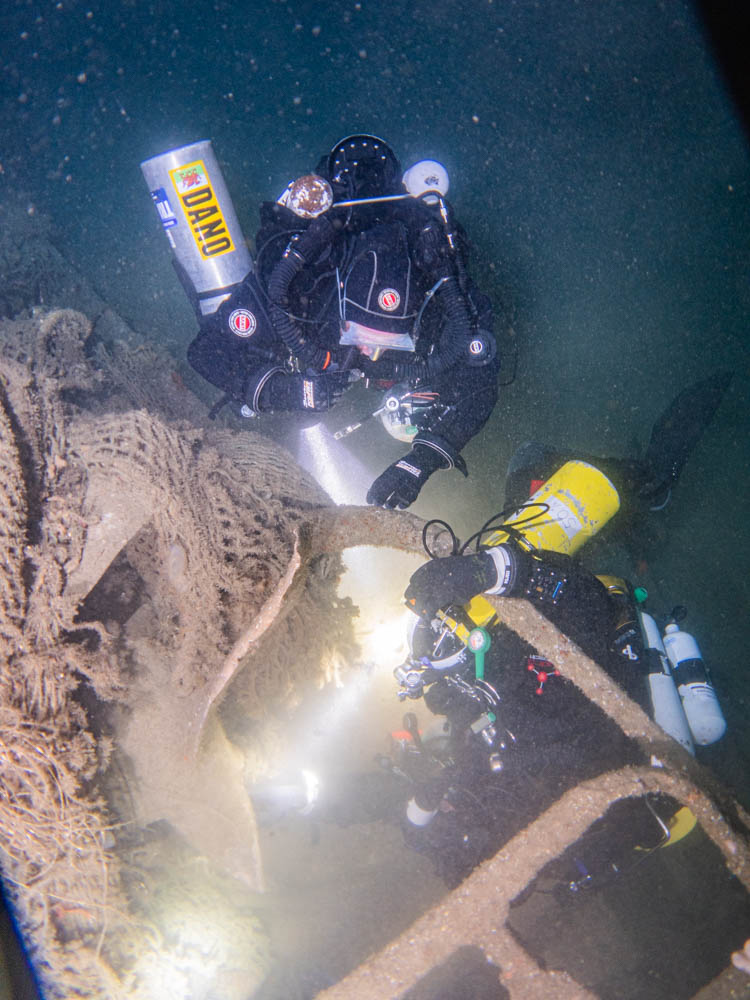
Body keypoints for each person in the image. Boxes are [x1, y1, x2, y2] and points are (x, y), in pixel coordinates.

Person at [186, 134, 501, 509]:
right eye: (361, 335)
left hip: (357, 358)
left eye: (391, 341)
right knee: (290, 422)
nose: (371, 352)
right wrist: (291, 391)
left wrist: (421, 462)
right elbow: (206, 351)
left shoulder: (438, 299)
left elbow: (481, 385)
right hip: (302, 362)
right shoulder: (305, 286)